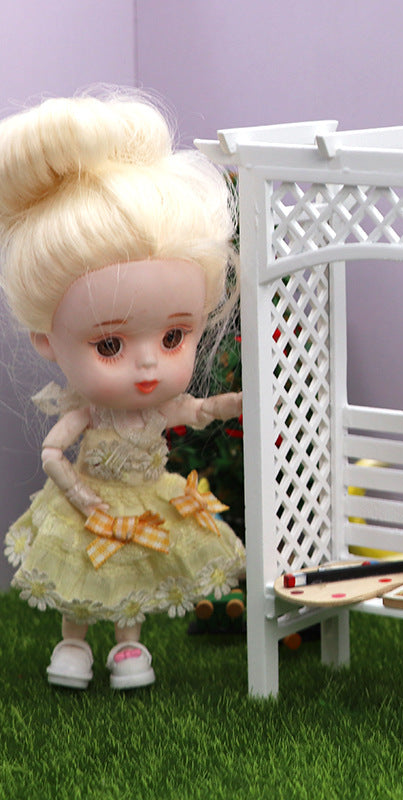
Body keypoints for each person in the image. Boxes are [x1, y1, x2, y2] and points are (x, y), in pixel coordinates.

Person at [0, 90, 246, 690]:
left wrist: (234, 405)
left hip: (145, 499)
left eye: (174, 337)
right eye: (109, 344)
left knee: (131, 576)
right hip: (92, 503)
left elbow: (195, 410)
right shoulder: (91, 412)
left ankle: (129, 646)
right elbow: (53, 450)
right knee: (84, 573)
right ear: (47, 340)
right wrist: (78, 493)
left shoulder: (159, 405)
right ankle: (73, 641)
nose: (147, 365)